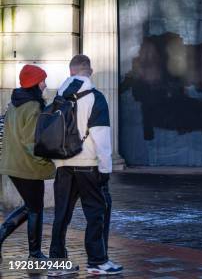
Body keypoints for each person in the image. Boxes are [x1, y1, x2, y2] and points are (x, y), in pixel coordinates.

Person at [48, 55, 122, 276]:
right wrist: (106, 169)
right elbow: (102, 137)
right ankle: (97, 262)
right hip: (88, 164)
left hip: (63, 164)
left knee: (61, 215)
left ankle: (57, 264)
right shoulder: (95, 97)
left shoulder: (58, 98)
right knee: (96, 213)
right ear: (89, 71)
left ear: (70, 72)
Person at [0, 65, 55, 260]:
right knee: (35, 209)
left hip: (14, 165)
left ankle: (4, 236)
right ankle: (35, 254)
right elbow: (32, 141)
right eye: (43, 81)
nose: (45, 84)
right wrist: (46, 159)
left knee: (30, 207)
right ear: (35, 83)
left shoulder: (15, 102)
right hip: (28, 167)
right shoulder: (33, 106)